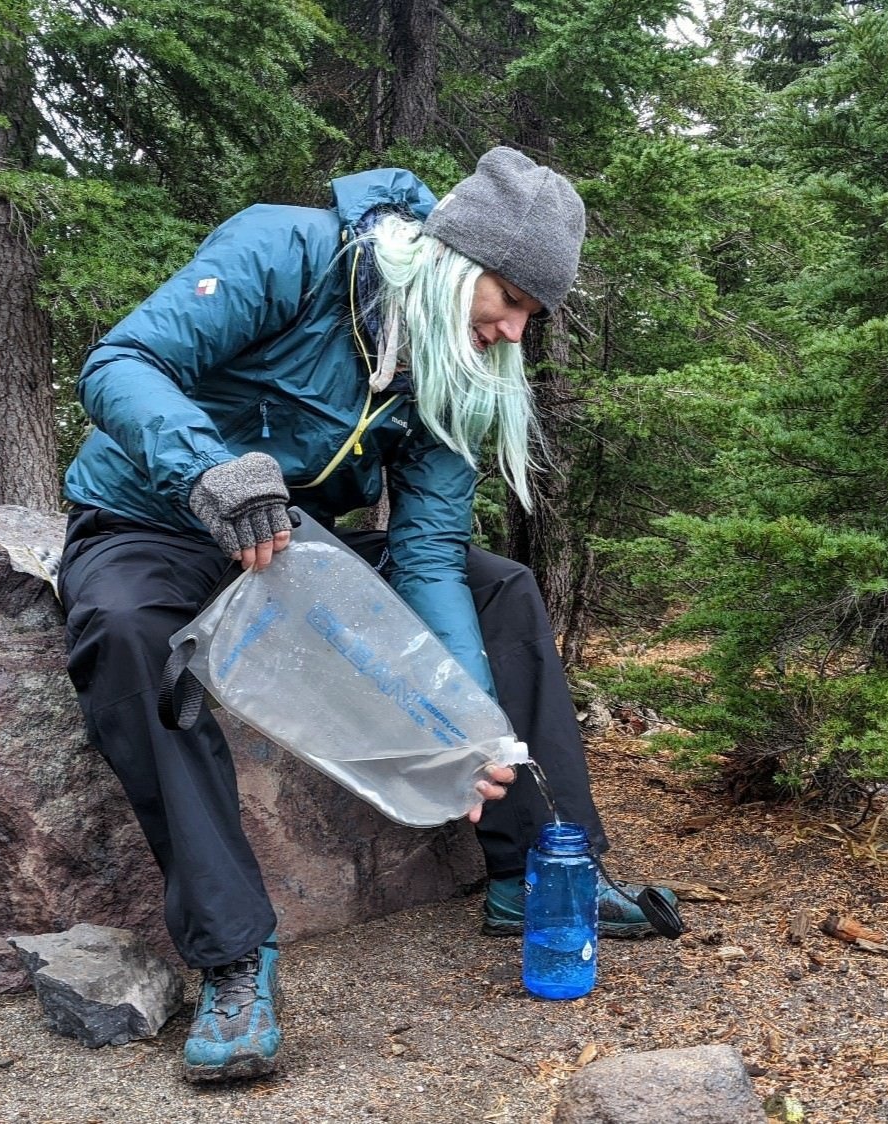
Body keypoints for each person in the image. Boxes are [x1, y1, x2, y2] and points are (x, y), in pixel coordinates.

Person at [58, 147, 674, 1083]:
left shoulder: (448, 373)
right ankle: (232, 955)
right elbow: (121, 361)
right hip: (154, 518)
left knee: (495, 586)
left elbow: (425, 552)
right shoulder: (290, 251)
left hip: (291, 548)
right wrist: (206, 468)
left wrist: (469, 727)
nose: (512, 332)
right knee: (128, 632)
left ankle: (539, 874)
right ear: (454, 261)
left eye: (530, 318)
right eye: (507, 300)